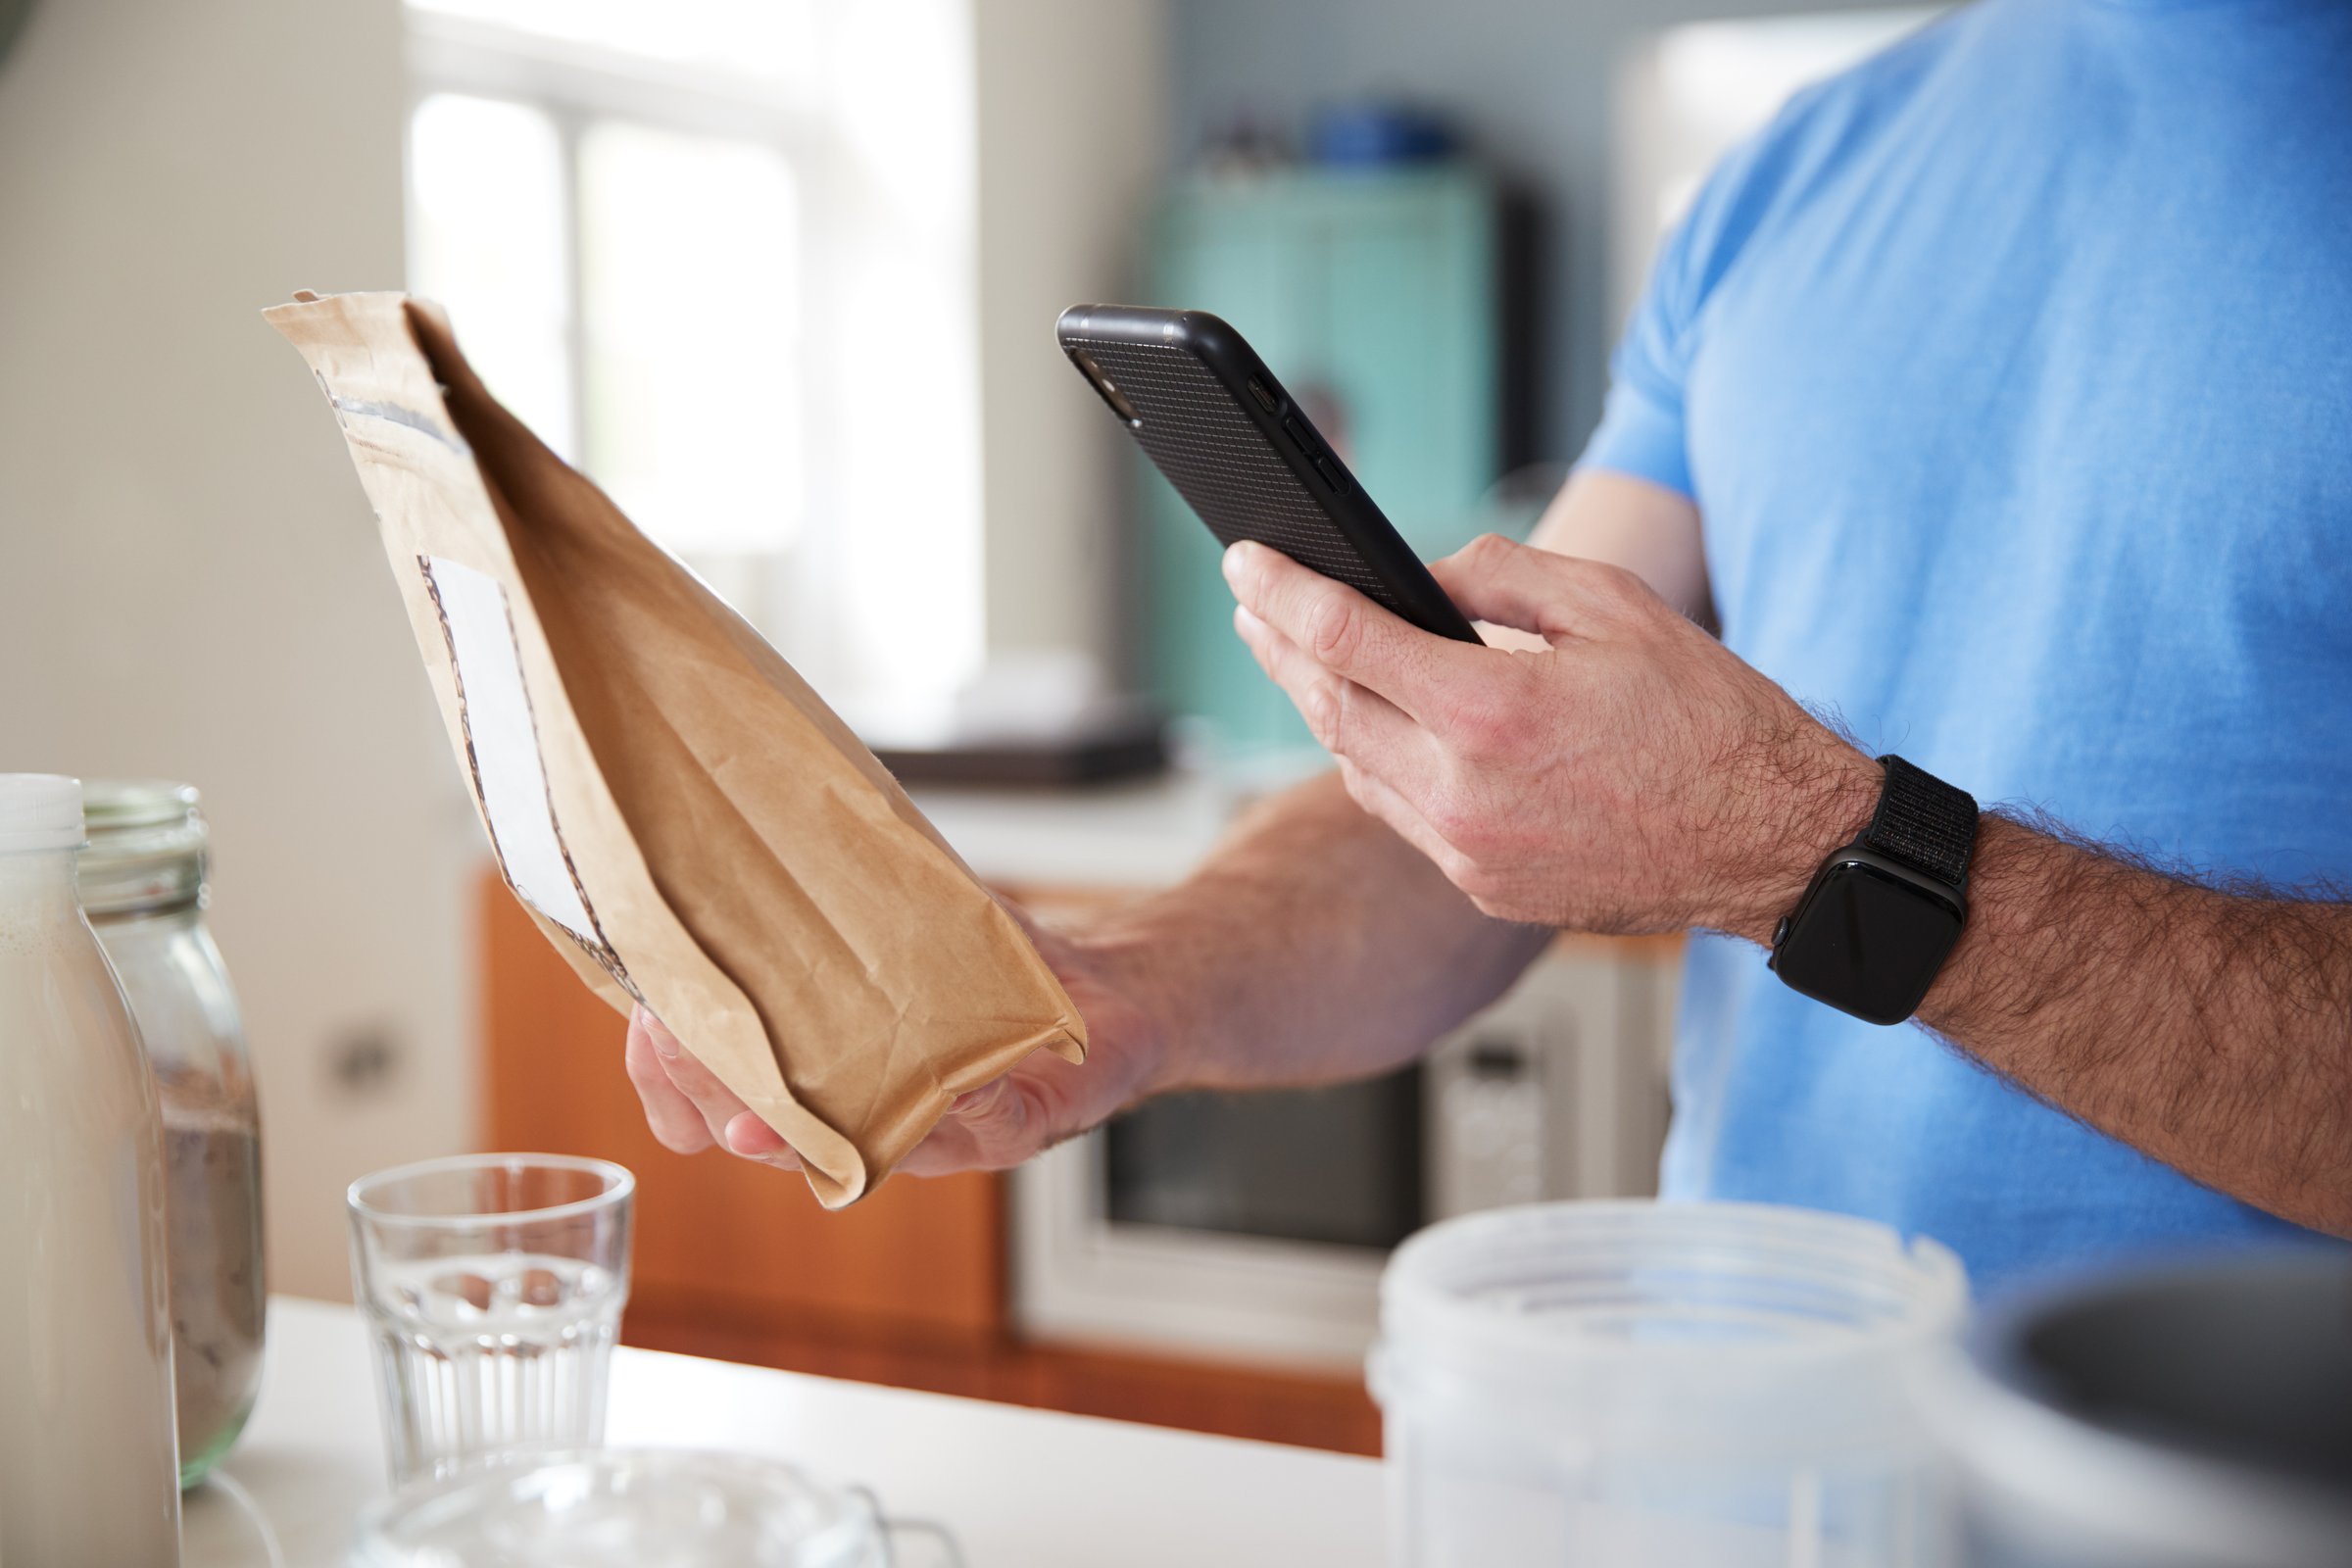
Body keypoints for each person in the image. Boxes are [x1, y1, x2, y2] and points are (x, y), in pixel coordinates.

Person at [624, 0, 2352, 1296]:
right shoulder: (1800, 176)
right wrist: (1129, 992)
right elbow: (1474, 808)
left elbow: (1764, 832)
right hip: (1754, 1463)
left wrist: (1820, 854)